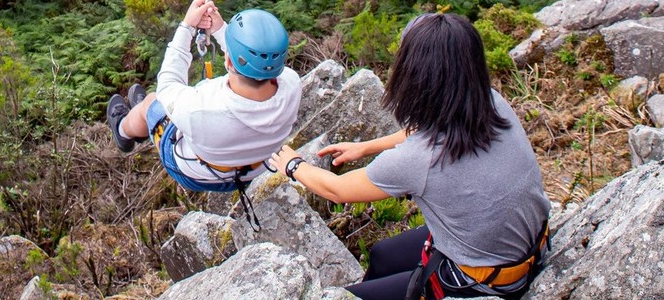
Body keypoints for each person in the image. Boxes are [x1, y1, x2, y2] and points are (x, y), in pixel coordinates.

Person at [269, 13, 551, 300]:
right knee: (381, 255)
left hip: (481, 279)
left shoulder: (420, 160)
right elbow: (434, 127)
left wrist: (292, 164)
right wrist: (367, 147)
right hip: (522, 248)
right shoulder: (490, 101)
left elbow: (337, 190)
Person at [106, 0, 301, 193]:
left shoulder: (200, 107)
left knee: (151, 102)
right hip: (256, 168)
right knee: (163, 102)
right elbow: (254, 62)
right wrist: (219, 28)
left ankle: (123, 131)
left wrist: (187, 27)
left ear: (229, 62)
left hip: (199, 176)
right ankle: (141, 120)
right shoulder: (292, 84)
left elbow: (168, 84)